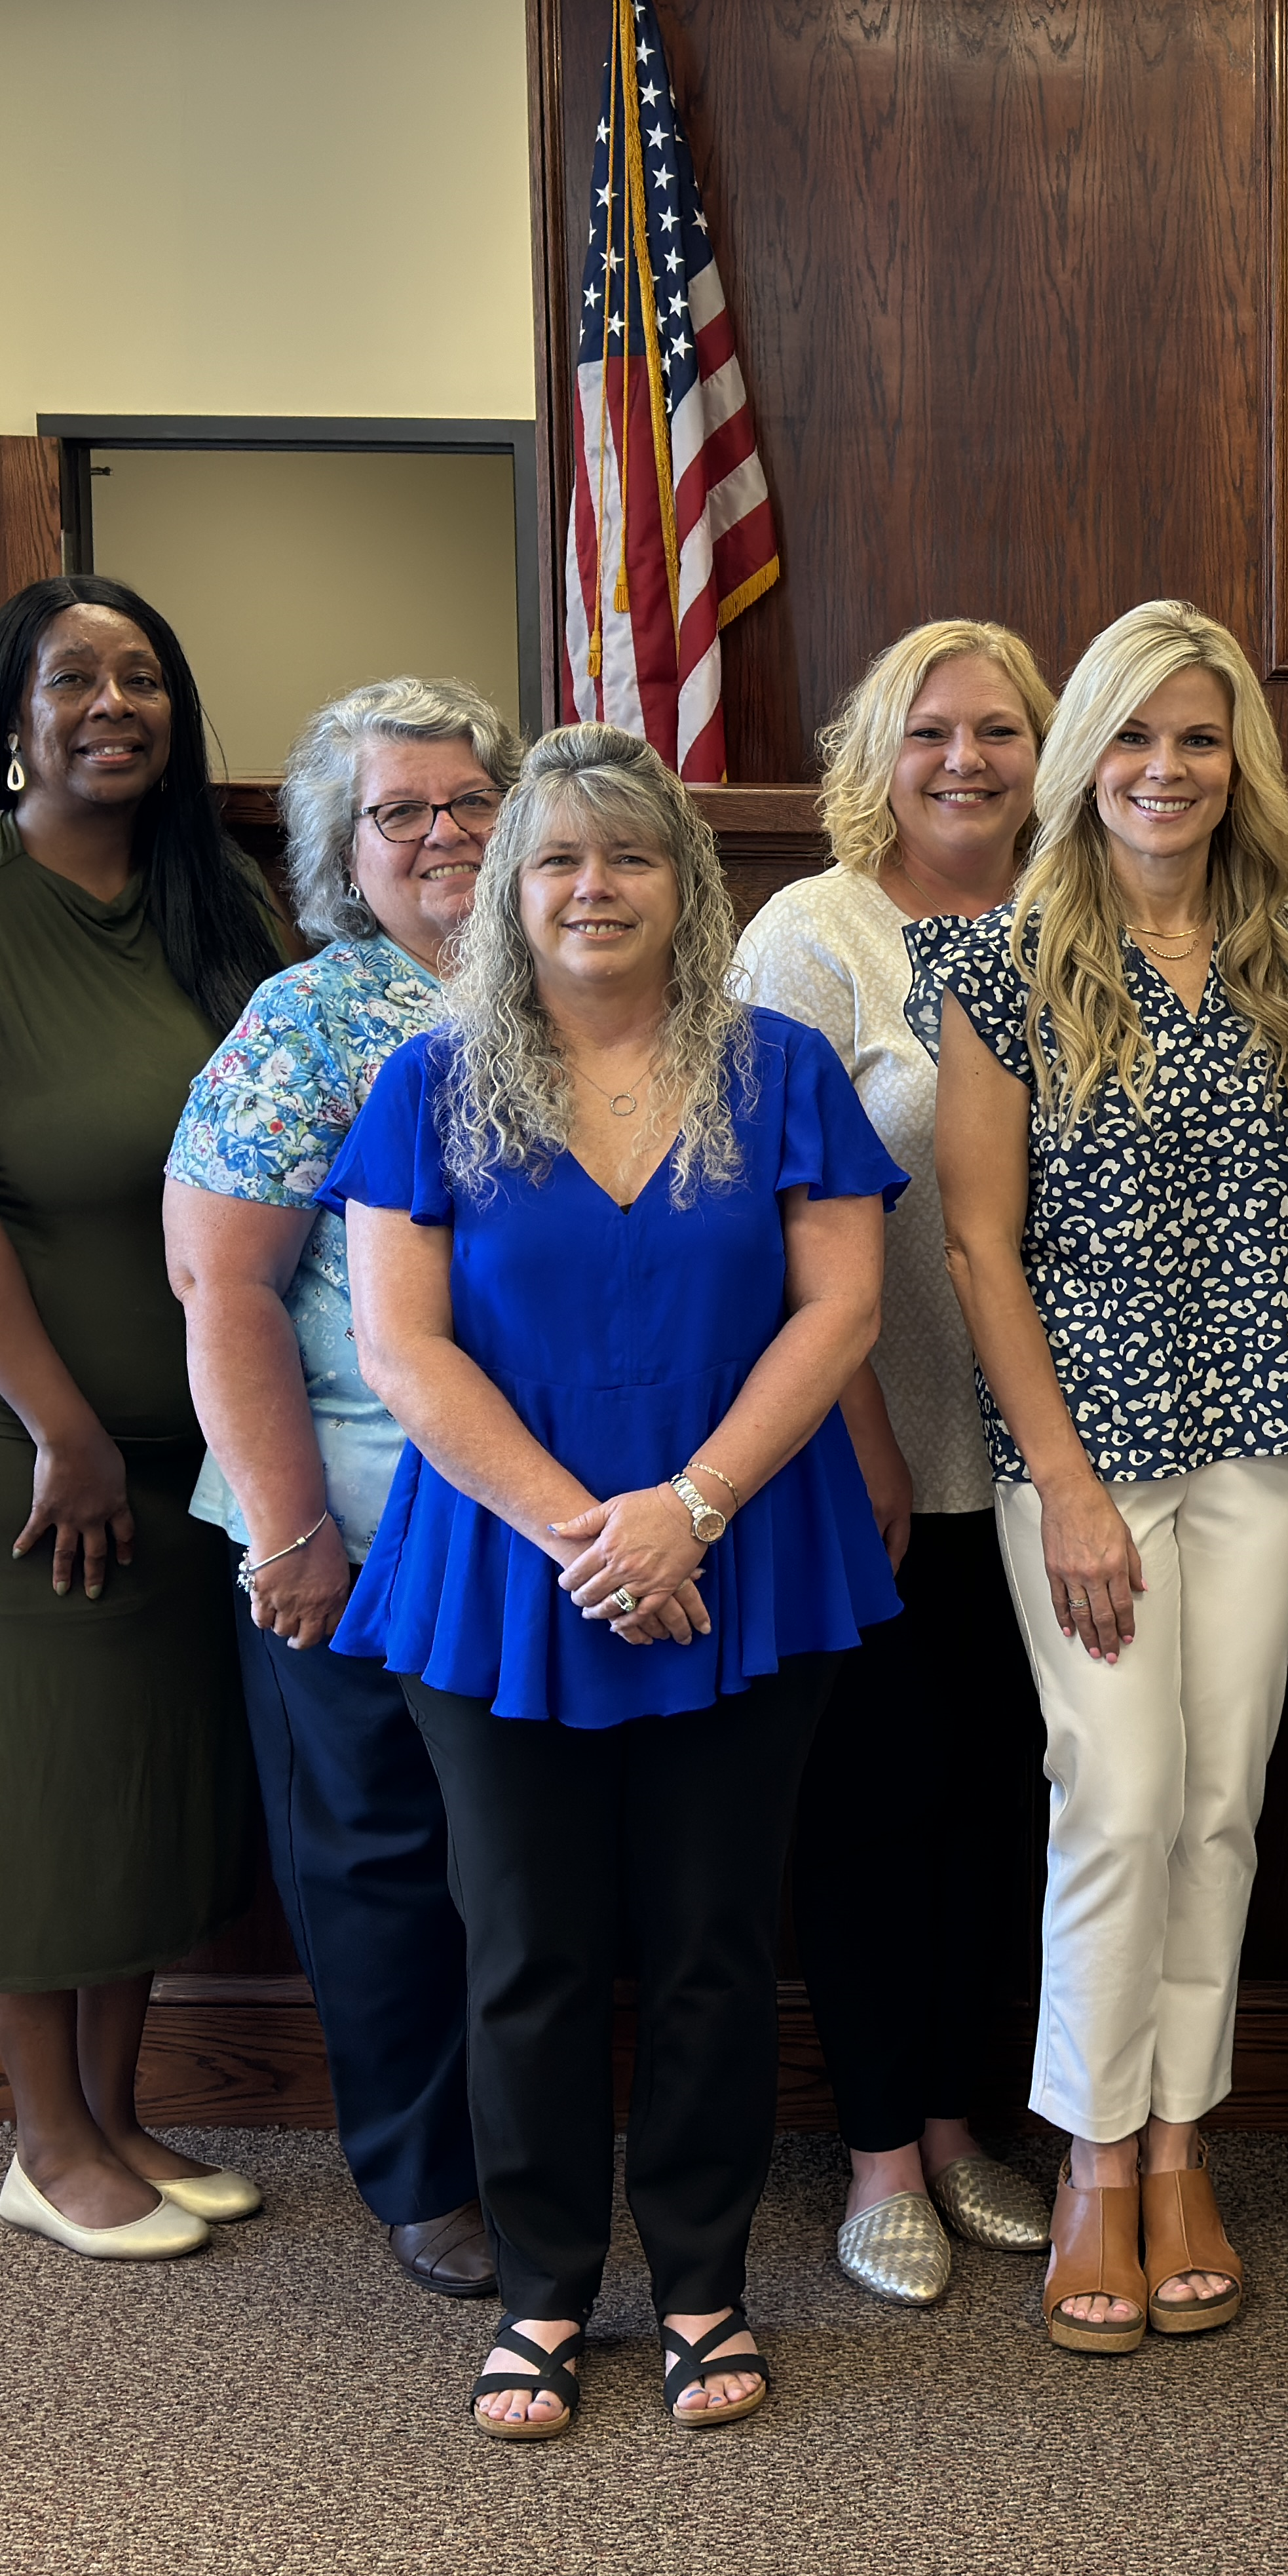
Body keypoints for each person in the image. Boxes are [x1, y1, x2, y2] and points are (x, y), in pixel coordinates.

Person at [327, 724, 904, 2439]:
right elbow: (399, 1346)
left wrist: (693, 1505)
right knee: (528, 1950)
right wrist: (597, 1528)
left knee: (719, 1944)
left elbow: (840, 1308)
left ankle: (706, 2277)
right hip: (503, 1574)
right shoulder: (425, 1082)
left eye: (630, 856)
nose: (594, 887)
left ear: (686, 881)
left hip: (747, 1561)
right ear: (511, 886)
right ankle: (544, 2287)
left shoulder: (780, 1065)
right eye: (559, 858)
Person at [0, 575, 284, 2259]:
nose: (114, 702)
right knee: (31, 1753)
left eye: (143, 676)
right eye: (71, 676)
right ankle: (41, 2139)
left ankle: (117, 2111)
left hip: (177, 1423)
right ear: (5, 718)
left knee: (137, 1764)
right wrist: (66, 1427)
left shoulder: (212, 899)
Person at [937, 599, 1288, 2355]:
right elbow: (975, 1239)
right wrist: (1067, 1478)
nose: (1163, 769)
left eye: (1195, 738)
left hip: (1270, 1428)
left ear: (1234, 760)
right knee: (1114, 1796)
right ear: (1079, 758)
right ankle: (1093, 2153)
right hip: (1088, 1441)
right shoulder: (999, 956)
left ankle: (1183, 2139)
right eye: (1130, 736)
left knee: (1217, 1798)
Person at [164, 677, 525, 2299]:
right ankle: (425, 2174)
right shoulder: (309, 1021)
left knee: (523, 1870)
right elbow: (222, 1285)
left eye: (469, 800)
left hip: (546, 1532)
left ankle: (530, 2149)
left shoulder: (577, 989)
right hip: (361, 1529)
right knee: (381, 1860)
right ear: (343, 849)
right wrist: (290, 1522)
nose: (443, 833)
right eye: (401, 810)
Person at [737, 619, 1059, 2304]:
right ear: (879, 749)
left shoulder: (1080, 917)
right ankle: (873, 2157)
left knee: (995, 1812)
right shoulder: (816, 931)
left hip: (1056, 1464)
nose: (967, 758)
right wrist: (853, 1427)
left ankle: (953, 2125)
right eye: (931, 728)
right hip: (876, 1448)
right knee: (871, 1807)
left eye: (1001, 729)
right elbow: (776, 1205)